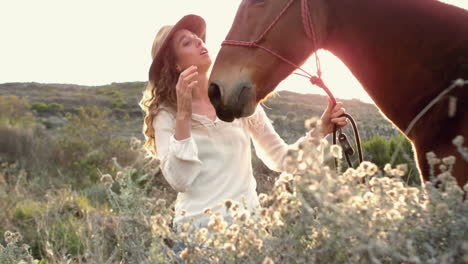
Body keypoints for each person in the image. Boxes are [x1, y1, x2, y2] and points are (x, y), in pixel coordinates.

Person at [140, 15, 347, 233]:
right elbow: (180, 180)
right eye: (187, 42)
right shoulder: (165, 115)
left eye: (198, 38)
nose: (200, 41)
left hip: (248, 232)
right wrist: (183, 112)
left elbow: (281, 159)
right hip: (196, 236)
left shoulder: (236, 99)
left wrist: (321, 129)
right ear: (175, 64)